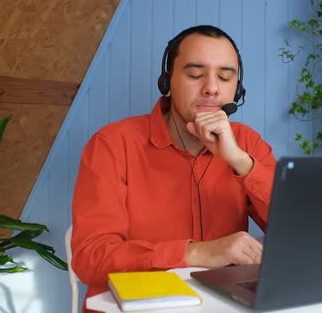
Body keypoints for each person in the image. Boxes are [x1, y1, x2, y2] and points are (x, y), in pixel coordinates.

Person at [71, 25, 276, 312]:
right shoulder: (112, 144)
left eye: (225, 76)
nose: (212, 88)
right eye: (195, 74)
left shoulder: (247, 144)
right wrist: (197, 253)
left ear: (236, 89)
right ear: (167, 82)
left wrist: (241, 163)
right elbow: (91, 259)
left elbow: (301, 230)